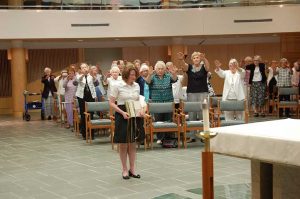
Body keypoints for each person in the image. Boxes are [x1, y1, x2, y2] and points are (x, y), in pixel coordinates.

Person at [109, 63, 145, 180]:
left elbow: (139, 101)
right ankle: (124, 169)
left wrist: (142, 110)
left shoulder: (137, 86)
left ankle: (132, 169)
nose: (133, 77)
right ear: (126, 74)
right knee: (123, 144)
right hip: (122, 114)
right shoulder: (117, 85)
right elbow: (111, 103)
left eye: (135, 75)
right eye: (131, 75)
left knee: (132, 144)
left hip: (134, 114)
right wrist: (122, 112)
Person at [177, 51, 210, 142]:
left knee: (202, 114)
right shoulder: (190, 67)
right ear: (192, 59)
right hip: (191, 92)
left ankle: (204, 135)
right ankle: (192, 136)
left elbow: (208, 67)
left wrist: (204, 59)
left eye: (197, 57)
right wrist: (181, 59)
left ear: (200, 59)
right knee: (192, 114)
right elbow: (184, 66)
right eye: (194, 58)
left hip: (203, 92)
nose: (196, 59)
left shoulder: (203, 67)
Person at [145, 61, 178, 144]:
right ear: (155, 69)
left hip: (168, 102)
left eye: (162, 69)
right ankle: (160, 138)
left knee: (168, 120)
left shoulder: (168, 76)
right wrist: (149, 74)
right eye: (158, 69)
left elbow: (175, 79)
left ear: (165, 69)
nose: (160, 70)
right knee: (158, 120)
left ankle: (168, 138)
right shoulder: (152, 77)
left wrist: (174, 73)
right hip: (157, 103)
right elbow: (147, 82)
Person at [73, 63, 99, 140]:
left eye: (85, 67)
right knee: (83, 114)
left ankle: (91, 133)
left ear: (88, 68)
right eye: (82, 68)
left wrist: (94, 76)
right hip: (82, 97)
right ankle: (84, 133)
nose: (84, 69)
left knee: (91, 114)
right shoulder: (78, 76)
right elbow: (75, 82)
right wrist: (83, 75)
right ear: (81, 69)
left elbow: (97, 84)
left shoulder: (91, 75)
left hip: (91, 96)